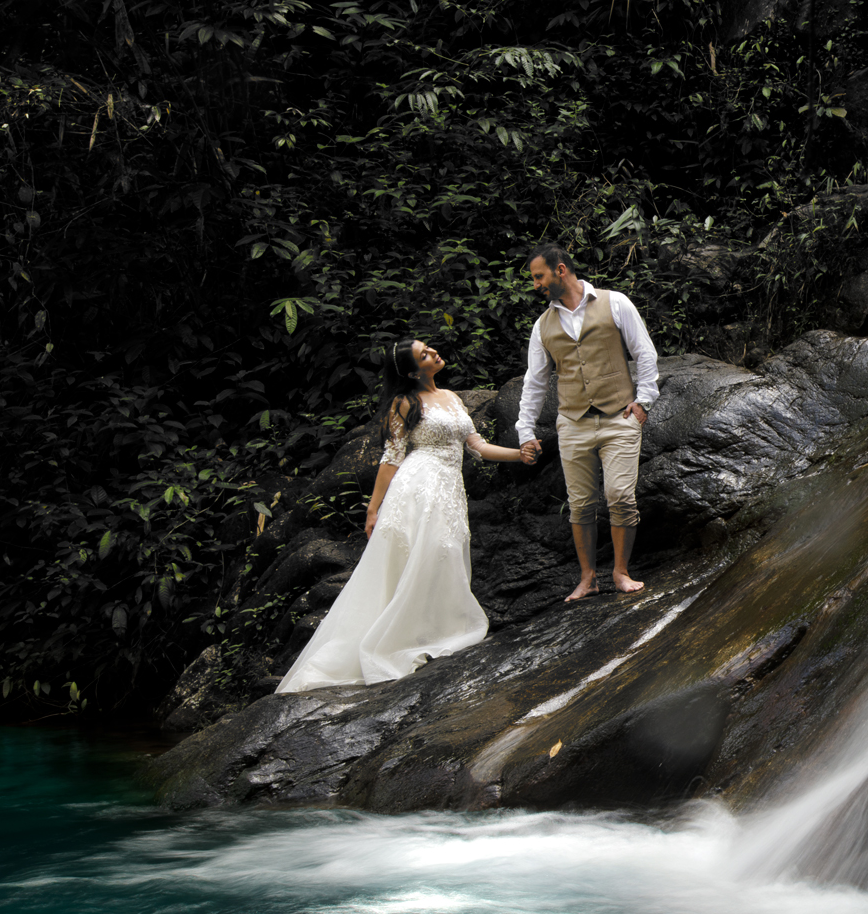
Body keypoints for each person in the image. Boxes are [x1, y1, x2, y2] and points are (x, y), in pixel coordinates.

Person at [277, 339, 535, 693]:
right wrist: (373, 506)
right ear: (414, 371)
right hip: (418, 485)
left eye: (429, 348)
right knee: (423, 554)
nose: (434, 353)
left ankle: (435, 628)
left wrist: (517, 455)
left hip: (449, 486)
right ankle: (396, 637)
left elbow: (476, 447)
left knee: (444, 553)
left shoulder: (453, 397)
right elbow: (392, 456)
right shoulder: (404, 403)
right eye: (425, 355)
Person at [515, 243, 660, 600]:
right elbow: (535, 381)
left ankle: (621, 572)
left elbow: (644, 352)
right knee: (580, 503)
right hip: (573, 423)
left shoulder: (615, 302)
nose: (535, 283)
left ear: (560, 270)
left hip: (619, 416)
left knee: (620, 496)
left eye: (539, 276)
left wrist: (644, 401)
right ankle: (588, 577)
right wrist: (525, 430)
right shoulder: (542, 325)